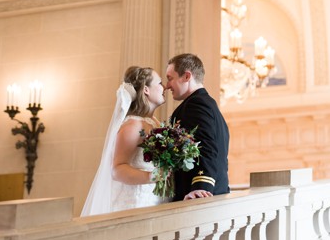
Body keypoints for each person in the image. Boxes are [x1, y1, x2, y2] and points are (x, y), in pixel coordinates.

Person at [81, 66, 167, 216]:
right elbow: (117, 170)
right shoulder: (132, 125)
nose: (164, 87)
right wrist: (151, 176)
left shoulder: (155, 122)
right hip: (136, 203)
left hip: (156, 200)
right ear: (146, 89)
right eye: (159, 83)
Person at [164, 53, 230, 201]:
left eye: (170, 78)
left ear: (187, 76)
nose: (167, 85)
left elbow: (207, 146)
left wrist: (201, 186)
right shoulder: (206, 103)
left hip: (199, 196)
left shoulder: (196, 105)